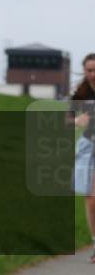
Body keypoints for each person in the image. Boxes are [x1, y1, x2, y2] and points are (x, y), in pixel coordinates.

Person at [70, 53, 95, 264]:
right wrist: (78, 120)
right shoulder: (81, 92)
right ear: (84, 71)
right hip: (89, 146)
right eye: (89, 70)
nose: (93, 74)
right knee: (91, 199)